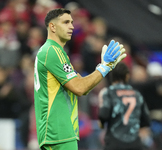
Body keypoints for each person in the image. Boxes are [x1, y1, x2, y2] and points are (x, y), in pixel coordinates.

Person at [34, 8, 126, 150]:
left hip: (58, 132)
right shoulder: (53, 51)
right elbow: (80, 88)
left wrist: (104, 67)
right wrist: (104, 68)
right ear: (52, 26)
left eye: (71, 22)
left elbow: (82, 87)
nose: (71, 26)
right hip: (58, 132)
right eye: (65, 22)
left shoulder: (53, 52)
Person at [98, 62, 151, 150]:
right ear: (127, 76)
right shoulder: (137, 95)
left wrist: (102, 124)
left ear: (111, 76)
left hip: (114, 143)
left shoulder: (108, 93)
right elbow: (146, 121)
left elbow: (103, 115)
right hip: (135, 144)